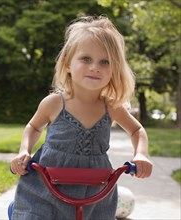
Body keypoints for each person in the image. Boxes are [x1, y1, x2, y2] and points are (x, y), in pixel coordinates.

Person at [10, 15, 153, 220]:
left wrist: (141, 154)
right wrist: (24, 151)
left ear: (114, 70)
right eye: (86, 59)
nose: (95, 67)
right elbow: (33, 127)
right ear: (68, 63)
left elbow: (136, 130)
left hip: (95, 190)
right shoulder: (54, 103)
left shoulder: (111, 106)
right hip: (46, 185)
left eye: (105, 62)